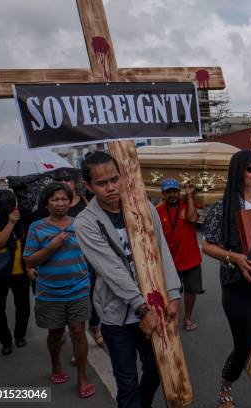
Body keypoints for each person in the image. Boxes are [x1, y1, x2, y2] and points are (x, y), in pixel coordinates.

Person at [74, 151, 181, 408]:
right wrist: (140, 308)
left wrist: (174, 293)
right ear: (88, 186)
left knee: (157, 370)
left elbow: (161, 250)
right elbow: (111, 270)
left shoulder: (143, 208)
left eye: (114, 179)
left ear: (122, 176)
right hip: (117, 316)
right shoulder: (85, 223)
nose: (110, 187)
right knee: (127, 382)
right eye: (101, 183)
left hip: (154, 307)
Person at [202, 150, 251, 408]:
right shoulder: (223, 206)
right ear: (238, 172)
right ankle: (225, 386)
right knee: (244, 345)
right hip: (237, 286)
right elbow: (207, 246)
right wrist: (236, 258)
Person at [23, 182, 95, 398]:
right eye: (55, 199)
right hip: (50, 292)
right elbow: (29, 260)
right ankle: (56, 364)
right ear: (47, 203)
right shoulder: (37, 227)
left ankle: (82, 377)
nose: (60, 203)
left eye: (64, 198)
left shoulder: (79, 224)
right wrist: (52, 246)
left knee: (78, 332)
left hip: (78, 289)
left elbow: (93, 252)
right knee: (54, 334)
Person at [33, 169, 104, 349]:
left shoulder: (84, 204)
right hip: (53, 282)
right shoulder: (42, 216)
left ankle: (94, 330)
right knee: (57, 329)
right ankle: (61, 350)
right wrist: (52, 246)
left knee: (85, 314)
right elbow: (33, 249)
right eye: (59, 179)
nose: (60, 202)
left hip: (84, 270)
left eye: (67, 178)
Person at [0, 190, 30, 355]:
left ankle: (19, 336)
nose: (9, 207)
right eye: (5, 204)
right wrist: (10, 224)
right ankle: (6, 341)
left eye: (12, 203)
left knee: (23, 306)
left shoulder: (21, 220)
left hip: (20, 272)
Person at [156, 178, 203, 332]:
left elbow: (193, 218)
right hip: (169, 262)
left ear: (179, 192)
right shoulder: (158, 211)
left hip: (191, 259)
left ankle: (187, 318)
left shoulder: (187, 205)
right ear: (163, 194)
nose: (172, 195)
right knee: (171, 293)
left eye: (175, 191)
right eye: (168, 192)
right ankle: (172, 317)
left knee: (191, 290)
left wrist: (189, 196)